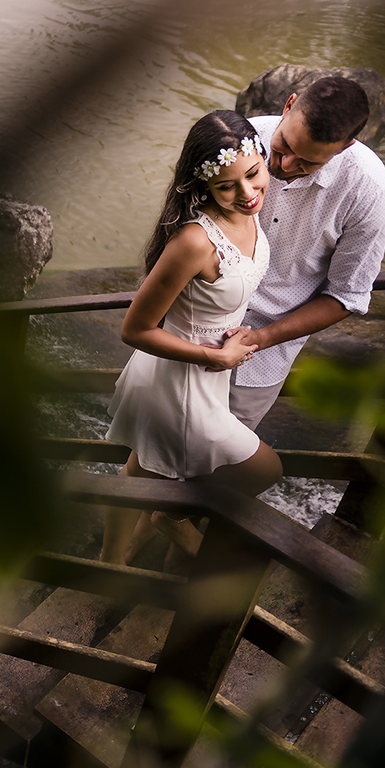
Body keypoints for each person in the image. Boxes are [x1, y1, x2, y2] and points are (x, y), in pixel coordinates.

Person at [99, 110, 283, 567]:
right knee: (265, 468)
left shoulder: (249, 215)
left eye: (253, 174)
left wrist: (236, 332)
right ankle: (172, 517)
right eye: (226, 186)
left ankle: (110, 560)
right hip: (179, 381)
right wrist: (214, 356)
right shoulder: (195, 242)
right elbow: (135, 329)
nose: (247, 194)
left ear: (262, 159)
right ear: (205, 186)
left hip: (207, 377)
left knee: (143, 468)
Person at [229, 76, 385, 429]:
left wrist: (261, 339)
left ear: (345, 146)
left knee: (217, 452)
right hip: (189, 325)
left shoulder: (369, 191)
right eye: (284, 146)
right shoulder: (239, 139)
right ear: (288, 106)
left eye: (308, 162)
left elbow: (346, 295)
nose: (286, 165)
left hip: (262, 357)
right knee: (151, 433)